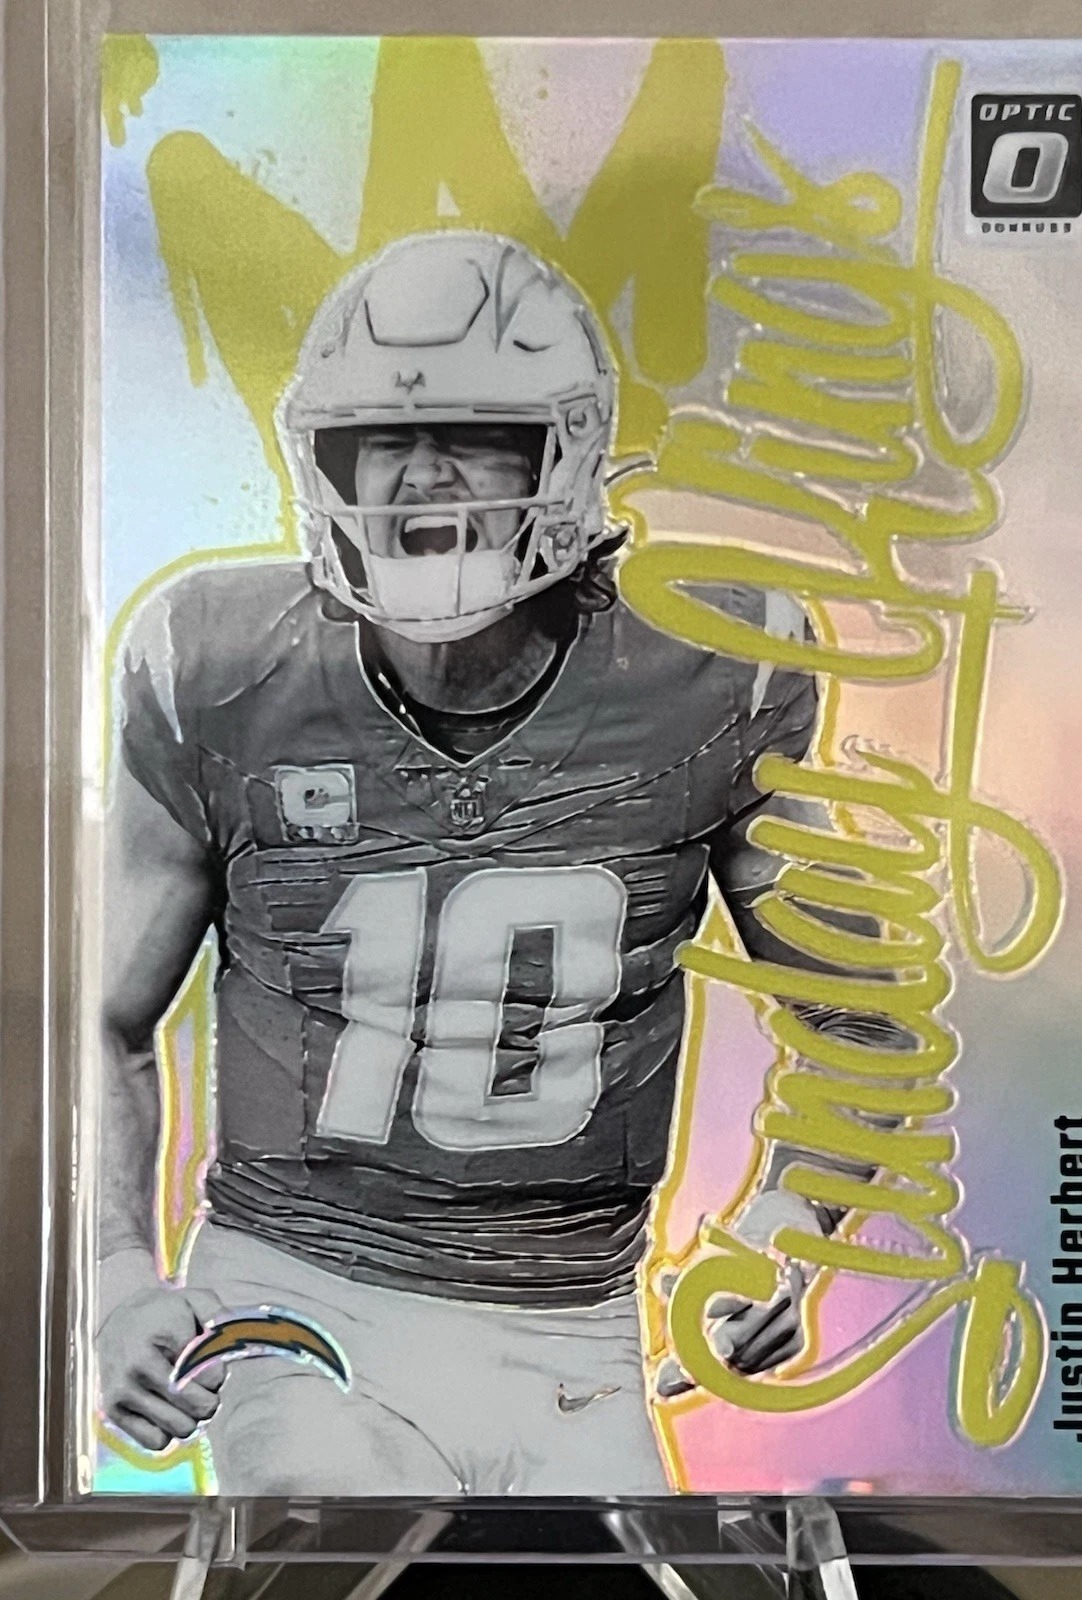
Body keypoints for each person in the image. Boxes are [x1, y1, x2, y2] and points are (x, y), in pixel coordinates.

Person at [97, 231, 883, 1495]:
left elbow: (858, 1014)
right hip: (299, 1291)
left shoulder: (712, 672)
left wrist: (784, 1230)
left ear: (565, 451)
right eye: (382, 441)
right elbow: (95, 1016)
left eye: (474, 437)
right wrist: (117, 1277)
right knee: (343, 1530)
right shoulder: (219, 666)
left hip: (572, 1328)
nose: (422, 480)